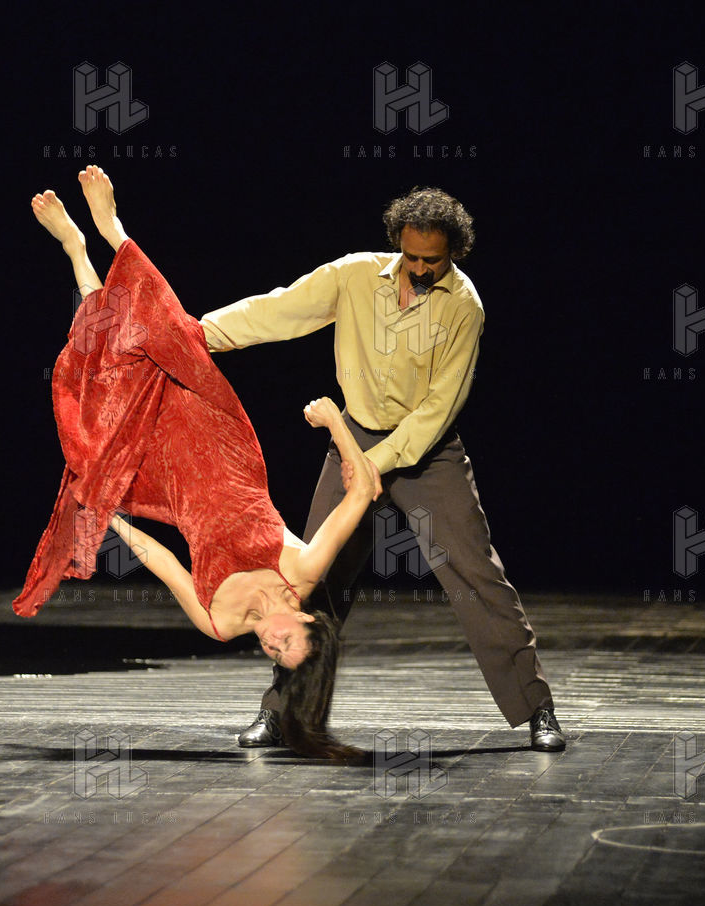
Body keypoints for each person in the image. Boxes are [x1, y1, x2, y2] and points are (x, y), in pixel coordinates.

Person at [13, 166, 378, 760]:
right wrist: (336, 422)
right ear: (310, 624)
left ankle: (76, 250)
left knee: (105, 386)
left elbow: (164, 563)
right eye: (288, 647)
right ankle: (113, 231)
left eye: (276, 657)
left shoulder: (220, 623)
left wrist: (109, 517)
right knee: (164, 337)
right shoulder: (304, 572)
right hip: (221, 442)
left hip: (171, 479)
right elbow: (363, 492)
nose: (273, 649)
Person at [201, 187, 565, 751]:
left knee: (477, 576)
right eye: (411, 256)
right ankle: (280, 712)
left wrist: (370, 462)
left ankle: (537, 707)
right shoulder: (354, 276)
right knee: (311, 582)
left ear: (454, 252)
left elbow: (439, 408)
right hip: (356, 437)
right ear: (398, 243)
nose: (419, 269)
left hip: (426, 452)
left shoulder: (464, 307)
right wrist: (198, 336)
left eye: (432, 261)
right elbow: (280, 309)